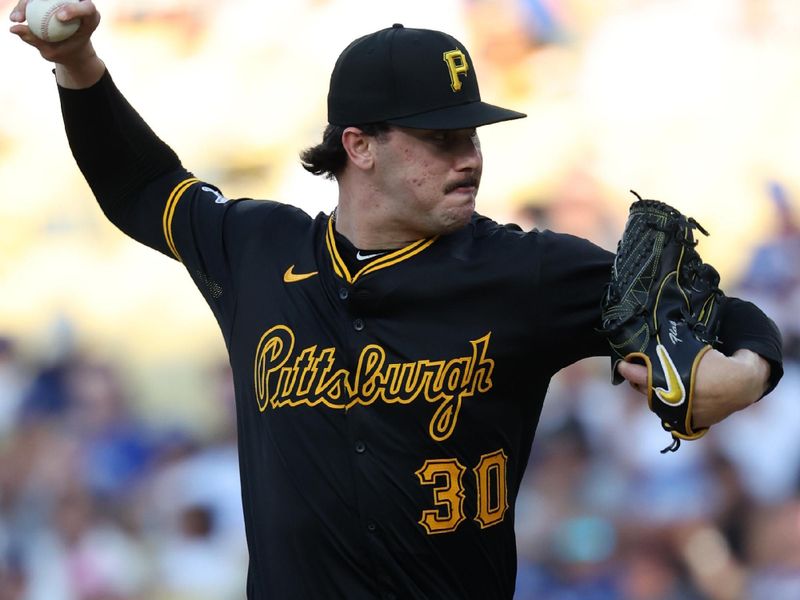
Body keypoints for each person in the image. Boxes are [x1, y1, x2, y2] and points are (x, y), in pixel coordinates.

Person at [10, 2, 783, 598]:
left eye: (473, 135)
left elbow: (730, 314)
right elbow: (143, 186)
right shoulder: (258, 252)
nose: (469, 156)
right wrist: (78, 63)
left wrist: (745, 372)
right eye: (441, 138)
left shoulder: (527, 273)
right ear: (359, 144)